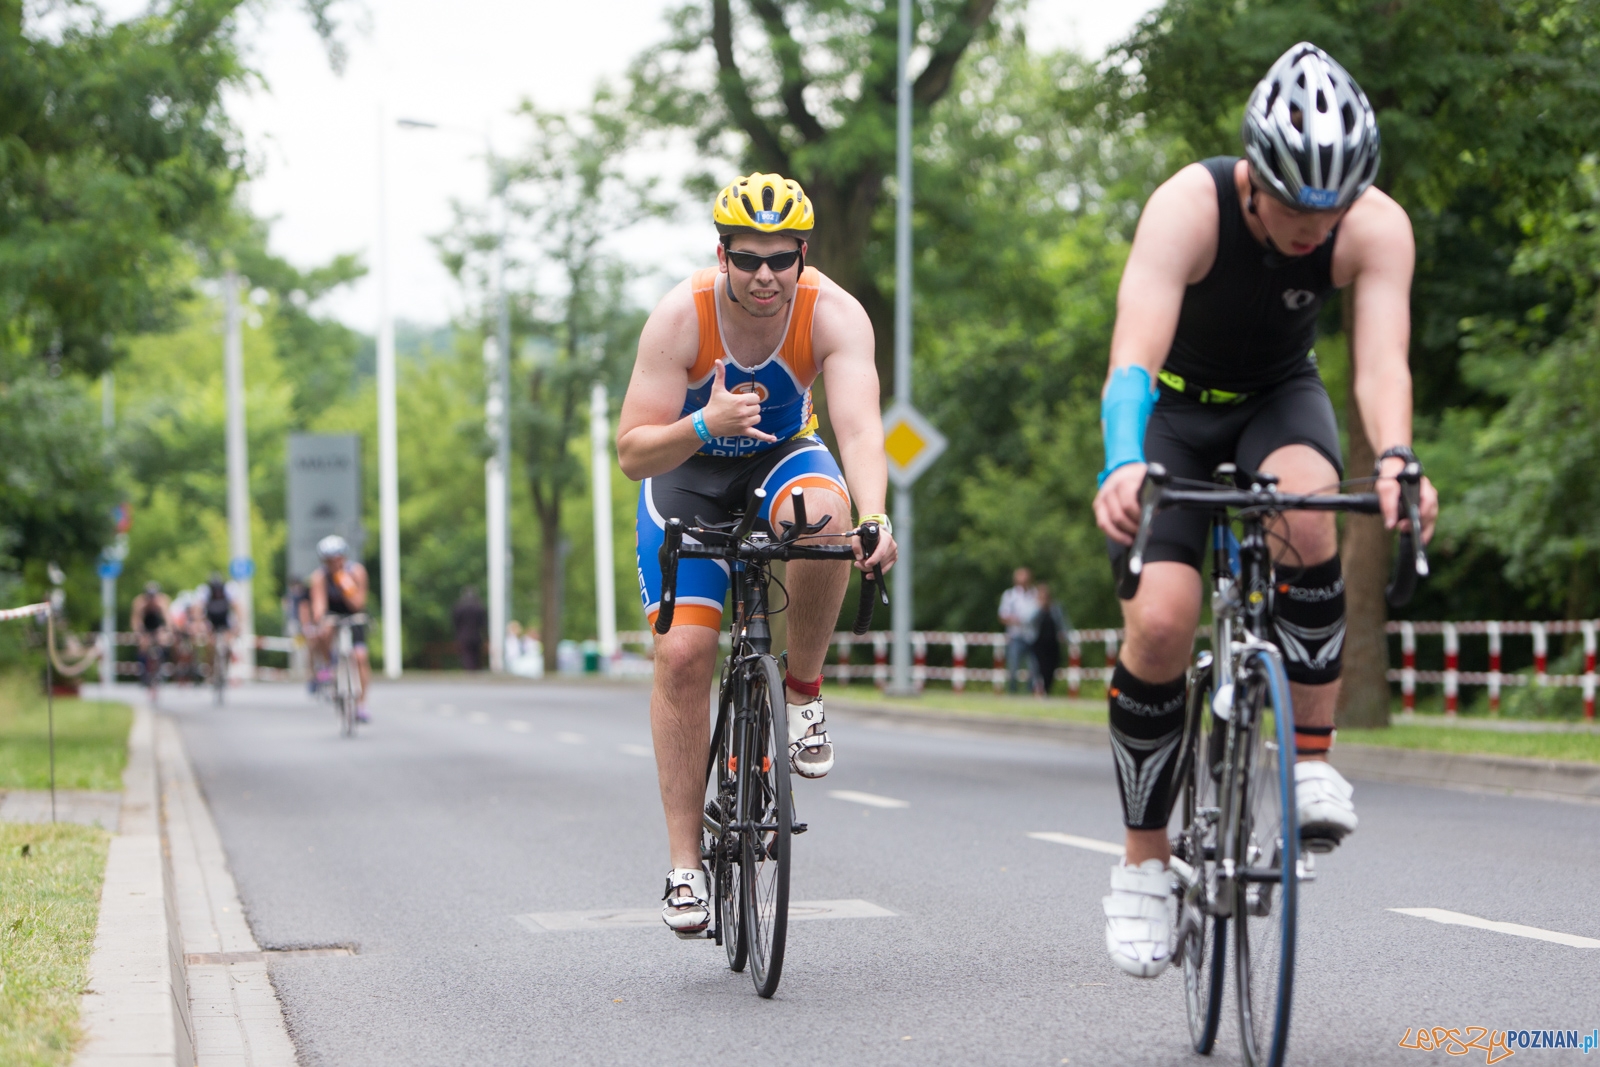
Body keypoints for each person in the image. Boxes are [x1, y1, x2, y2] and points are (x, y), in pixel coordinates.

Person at [1090, 43, 1439, 979]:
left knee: (1312, 514)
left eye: (1329, 208)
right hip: (1171, 411)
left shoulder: (1373, 226)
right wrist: (1124, 462)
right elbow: (1131, 357)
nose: (1309, 226)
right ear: (1252, 176)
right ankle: (1142, 867)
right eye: (1291, 204)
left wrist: (1400, 460)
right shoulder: (1188, 206)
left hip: (1279, 398)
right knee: (1160, 624)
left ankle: (1313, 756)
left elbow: (1379, 366)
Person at [617, 172, 897, 937]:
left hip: (779, 457)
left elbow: (860, 427)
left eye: (782, 258)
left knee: (826, 514)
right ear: (722, 255)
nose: (766, 276)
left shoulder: (833, 314)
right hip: (687, 472)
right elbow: (634, 453)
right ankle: (684, 865)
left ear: (804, 255)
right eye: (748, 259)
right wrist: (703, 424)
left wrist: (873, 515)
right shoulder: (681, 316)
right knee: (683, 654)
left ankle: (801, 692)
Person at [308, 536, 371, 722]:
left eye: (338, 559)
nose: (335, 563)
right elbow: (319, 604)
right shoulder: (319, 577)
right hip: (332, 615)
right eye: (330, 560)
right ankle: (328, 665)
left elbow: (357, 604)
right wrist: (320, 619)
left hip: (354, 616)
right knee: (324, 630)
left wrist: (344, 583)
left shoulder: (356, 572)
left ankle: (361, 705)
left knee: (360, 657)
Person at [998, 567, 1040, 693]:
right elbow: (1002, 616)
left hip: (1032, 636)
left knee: (1034, 667)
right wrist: (1017, 620)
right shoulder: (1010, 595)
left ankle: (1030, 692)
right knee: (1013, 666)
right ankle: (1012, 691)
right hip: (1015, 635)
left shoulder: (1035, 594)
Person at [129, 581, 171, 701]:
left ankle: (161, 667)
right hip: (146, 626)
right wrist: (139, 633)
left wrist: (168, 631)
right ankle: (143, 673)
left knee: (163, 641)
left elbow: (167, 619)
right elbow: (136, 620)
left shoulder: (162, 602)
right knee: (143, 644)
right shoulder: (139, 603)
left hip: (157, 625)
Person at [1030, 583, 1070, 697]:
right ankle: (1037, 690)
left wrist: (1066, 637)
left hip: (1052, 643)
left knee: (1052, 667)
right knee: (1038, 668)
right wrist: (1039, 607)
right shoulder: (1034, 607)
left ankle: (1046, 690)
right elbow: (1028, 621)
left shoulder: (1056, 608)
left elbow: (1063, 624)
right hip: (1038, 643)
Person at [202, 572, 236, 683]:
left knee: (228, 644)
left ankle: (225, 667)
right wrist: (199, 624)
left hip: (225, 621)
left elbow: (237, 607)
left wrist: (238, 624)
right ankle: (211, 668)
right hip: (211, 621)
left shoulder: (228, 592)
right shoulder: (205, 593)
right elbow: (198, 609)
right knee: (210, 645)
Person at [452, 586, 487, 671]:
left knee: (467, 655)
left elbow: (455, 622)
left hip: (463, 635)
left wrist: (456, 634)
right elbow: (483, 623)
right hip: (476, 635)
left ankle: (470, 672)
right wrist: (485, 636)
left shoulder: (459, 607)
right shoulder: (479, 607)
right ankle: (473, 671)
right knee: (476, 655)